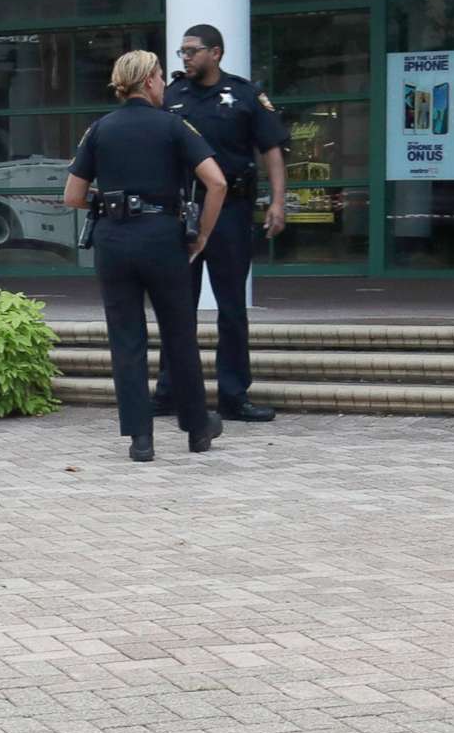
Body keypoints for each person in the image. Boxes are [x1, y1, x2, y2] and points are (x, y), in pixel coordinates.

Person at [63, 50, 228, 462]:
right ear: (151, 80)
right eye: (160, 77)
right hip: (162, 239)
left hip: (114, 242)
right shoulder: (173, 125)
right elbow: (217, 182)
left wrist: (114, 204)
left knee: (126, 338)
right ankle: (197, 429)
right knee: (179, 335)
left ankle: (141, 438)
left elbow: (72, 196)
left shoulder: (99, 129)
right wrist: (203, 234)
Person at [156, 23, 289, 423]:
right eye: (181, 52)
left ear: (215, 53)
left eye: (192, 51)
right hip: (184, 210)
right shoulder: (170, 96)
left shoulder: (245, 95)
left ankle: (234, 396)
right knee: (178, 306)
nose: (185, 58)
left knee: (231, 307)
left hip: (231, 210)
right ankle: (170, 392)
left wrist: (277, 202)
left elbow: (272, 150)